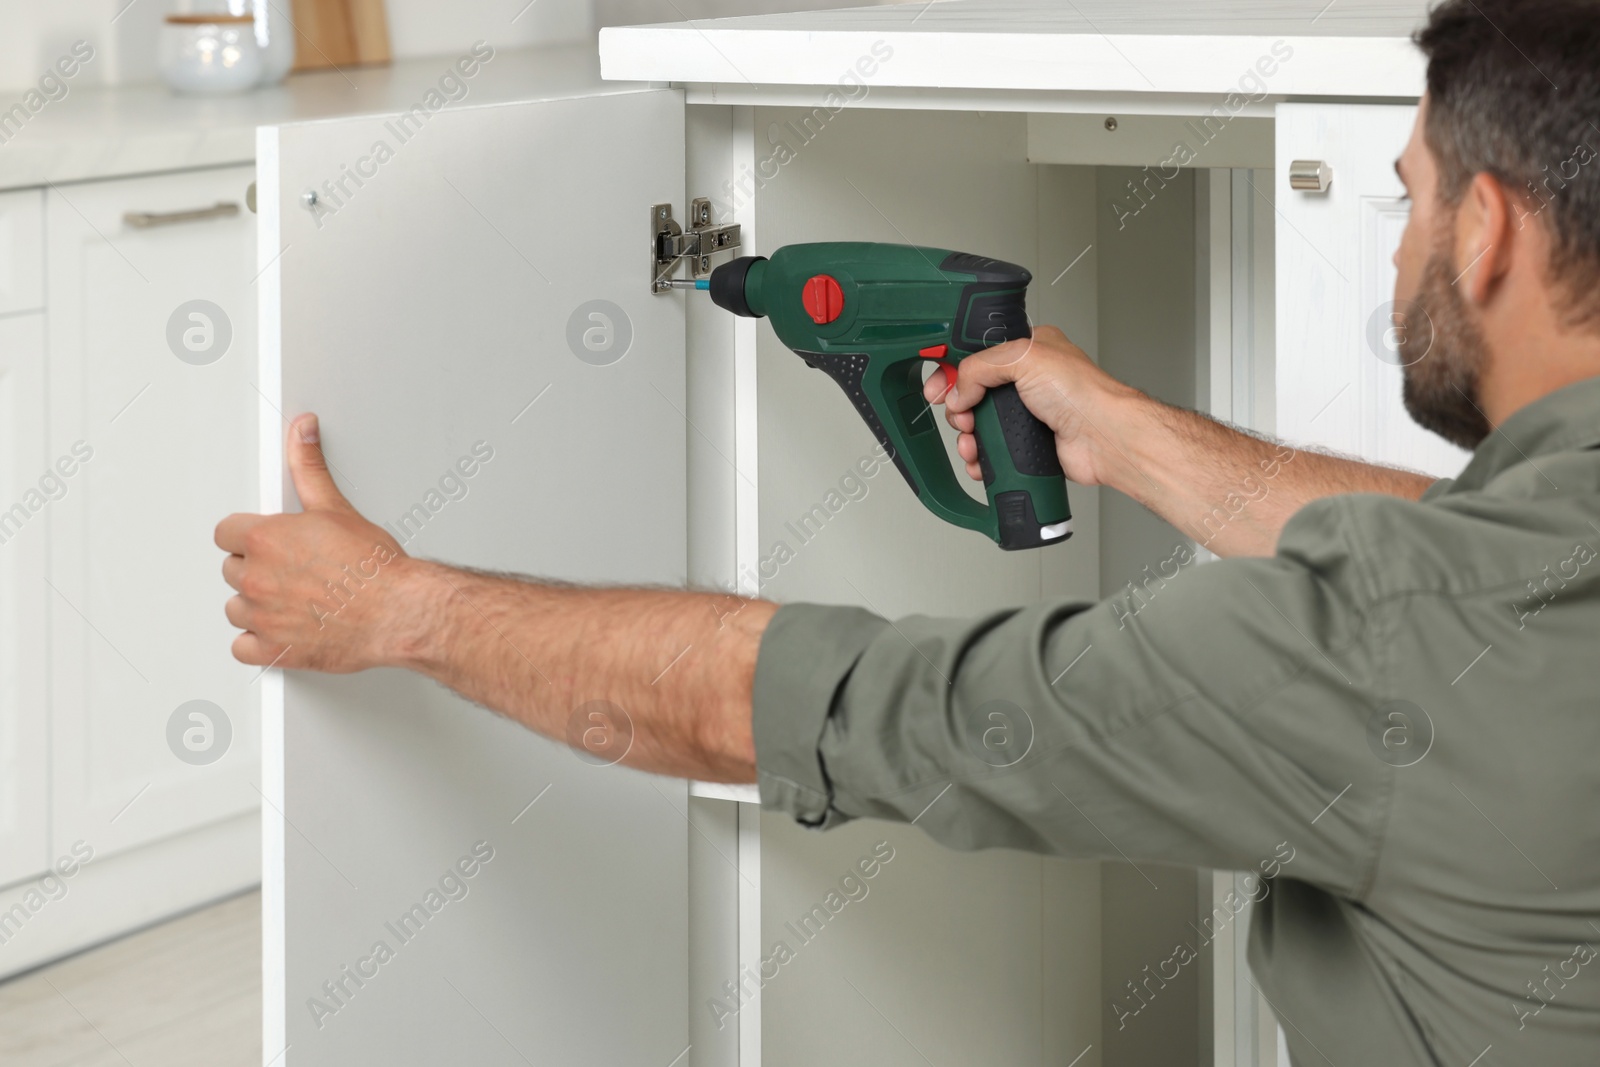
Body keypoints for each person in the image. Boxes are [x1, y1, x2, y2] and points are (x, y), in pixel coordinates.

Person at [215, 1, 1600, 1062]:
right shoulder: (1490, 597)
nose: (1402, 236)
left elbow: (782, 705)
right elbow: (1483, 569)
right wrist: (1124, 431)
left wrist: (403, 607)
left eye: (1411, 195)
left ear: (1484, 231)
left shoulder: (1376, 651)